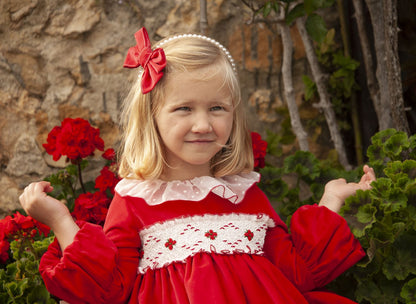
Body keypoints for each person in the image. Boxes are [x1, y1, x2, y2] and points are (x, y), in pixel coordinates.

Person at [19, 27, 376, 304]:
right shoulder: (135, 201)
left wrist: (332, 200)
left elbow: (297, 273)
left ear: (234, 116)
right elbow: (109, 288)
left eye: (217, 108)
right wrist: (61, 221)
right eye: (184, 108)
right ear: (152, 118)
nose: (203, 124)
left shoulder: (244, 193)